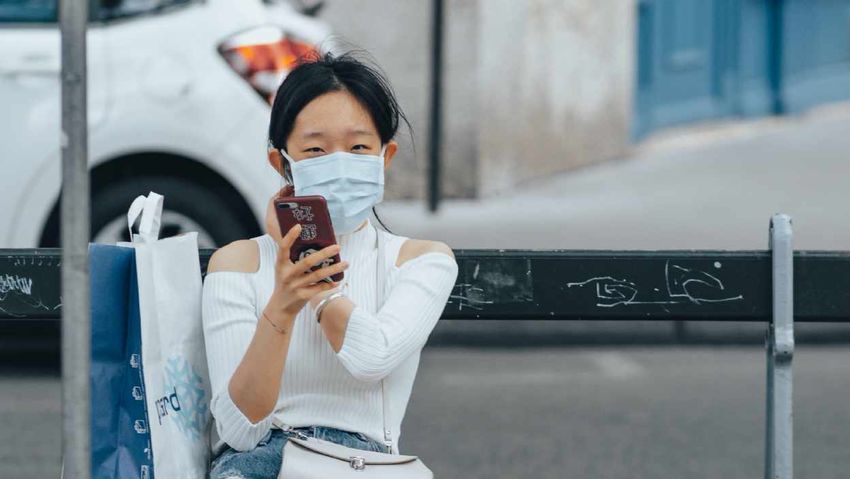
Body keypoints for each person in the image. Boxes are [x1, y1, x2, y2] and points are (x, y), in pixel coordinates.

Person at [202, 51, 459, 478]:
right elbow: (240, 431)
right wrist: (282, 304)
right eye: (316, 150)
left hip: (362, 465)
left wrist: (309, 269)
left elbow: (370, 357)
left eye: (358, 147)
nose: (339, 163)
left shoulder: (422, 261)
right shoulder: (238, 263)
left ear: (385, 156)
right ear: (282, 163)